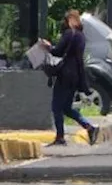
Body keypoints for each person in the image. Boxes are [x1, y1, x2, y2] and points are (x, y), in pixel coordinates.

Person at [39, 11, 100, 146]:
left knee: (56, 107)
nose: (65, 23)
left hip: (65, 74)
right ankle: (89, 127)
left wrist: (48, 46)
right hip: (75, 76)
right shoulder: (81, 36)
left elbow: (58, 51)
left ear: (72, 20)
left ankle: (60, 137)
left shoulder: (69, 34)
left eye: (67, 20)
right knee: (66, 107)